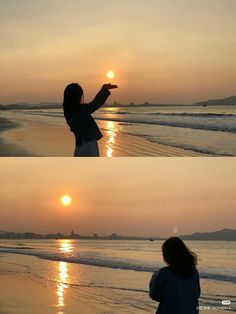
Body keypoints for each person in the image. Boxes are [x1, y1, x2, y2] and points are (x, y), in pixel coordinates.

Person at [63, 83, 117, 156]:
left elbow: (93, 104)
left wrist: (103, 90)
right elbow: (95, 104)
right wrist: (103, 90)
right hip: (88, 146)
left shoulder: (69, 112)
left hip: (80, 146)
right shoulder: (81, 111)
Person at [149, 237, 201, 314]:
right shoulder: (194, 272)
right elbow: (197, 294)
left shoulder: (164, 273)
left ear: (167, 255)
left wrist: (154, 277)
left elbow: (154, 295)